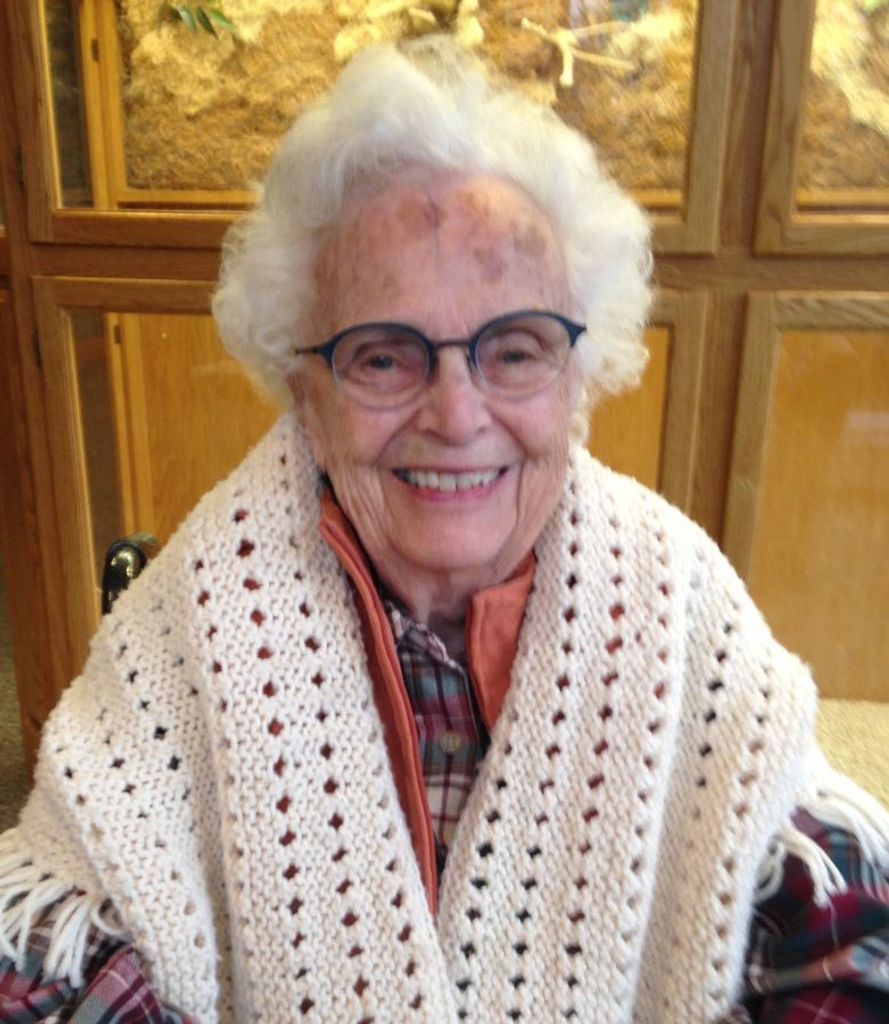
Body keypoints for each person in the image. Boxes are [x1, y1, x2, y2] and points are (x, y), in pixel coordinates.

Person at [1, 36, 888, 1024]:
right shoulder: (195, 616)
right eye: (384, 356)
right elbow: (47, 945)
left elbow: (839, 935)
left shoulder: (677, 601)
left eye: (514, 349)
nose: (457, 415)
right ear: (304, 393)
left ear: (577, 376)